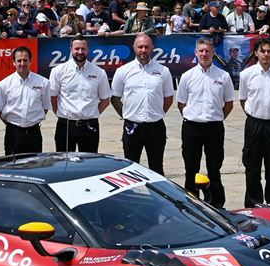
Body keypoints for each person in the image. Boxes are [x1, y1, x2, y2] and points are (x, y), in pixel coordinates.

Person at [177, 37, 234, 207]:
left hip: (214, 128)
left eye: (207, 51)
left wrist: (216, 117)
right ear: (196, 53)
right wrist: (193, 116)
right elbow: (181, 103)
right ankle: (191, 204)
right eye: (201, 51)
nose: (204, 54)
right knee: (191, 168)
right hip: (192, 127)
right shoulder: (187, 76)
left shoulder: (223, 76)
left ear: (213, 53)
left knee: (214, 168)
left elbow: (229, 103)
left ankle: (217, 203)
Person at [110, 33, 174, 173]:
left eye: (146, 47)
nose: (143, 50)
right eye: (140, 47)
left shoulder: (163, 71)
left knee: (157, 168)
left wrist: (158, 113)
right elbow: (114, 98)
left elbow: (168, 97)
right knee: (130, 169)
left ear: (152, 48)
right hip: (132, 127)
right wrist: (126, 115)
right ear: (134, 48)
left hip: (156, 127)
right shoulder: (123, 71)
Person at [239, 38, 270, 208]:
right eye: (262, 51)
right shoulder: (246, 74)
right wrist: (254, 115)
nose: (266, 54)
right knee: (252, 167)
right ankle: (254, 205)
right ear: (256, 53)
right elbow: (243, 99)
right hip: (253, 125)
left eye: (269, 51)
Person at [50, 36, 110, 152]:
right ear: (71, 49)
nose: (80, 52)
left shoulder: (99, 73)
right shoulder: (58, 71)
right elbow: (52, 97)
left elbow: (105, 101)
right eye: (77, 49)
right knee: (65, 161)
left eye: (83, 49)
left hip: (90, 125)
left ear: (88, 50)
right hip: (66, 125)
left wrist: (92, 114)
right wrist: (61, 114)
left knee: (89, 162)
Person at [0, 45, 50, 154]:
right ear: (13, 62)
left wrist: (31, 121)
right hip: (13, 133)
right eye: (19, 60)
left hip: (34, 133)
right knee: (12, 164)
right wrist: (15, 124)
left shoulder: (43, 83)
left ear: (30, 61)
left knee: (34, 164)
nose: (22, 64)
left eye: (25, 60)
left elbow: (45, 107)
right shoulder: (3, 85)